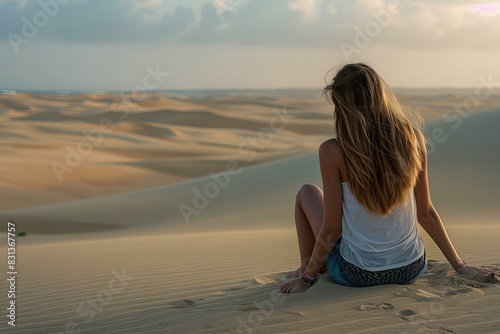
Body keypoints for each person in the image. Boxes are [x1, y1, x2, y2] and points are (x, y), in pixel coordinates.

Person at [280, 63, 497, 294]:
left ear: (343, 106)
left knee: (306, 193)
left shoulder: (332, 151)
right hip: (411, 268)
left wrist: (306, 279)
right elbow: (426, 214)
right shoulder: (413, 139)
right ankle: (313, 268)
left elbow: (332, 229)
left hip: (356, 274)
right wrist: (460, 267)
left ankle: (307, 269)